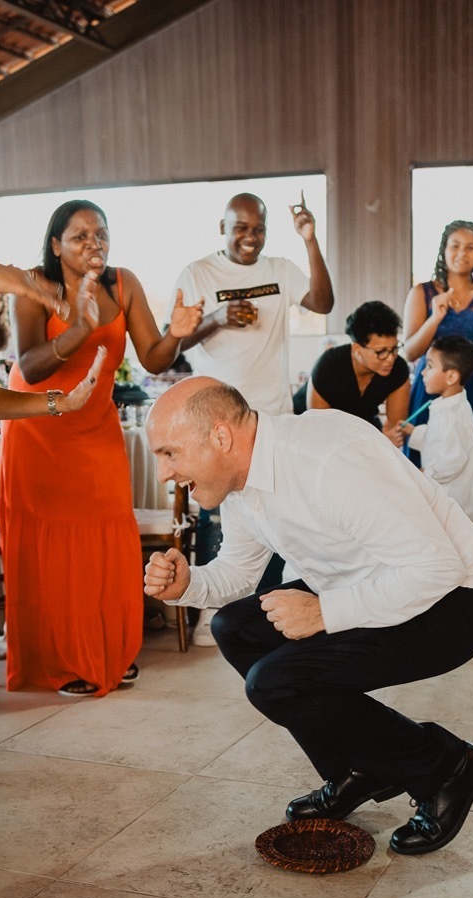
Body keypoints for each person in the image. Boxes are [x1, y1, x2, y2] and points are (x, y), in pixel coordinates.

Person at [143, 377, 473, 856]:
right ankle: (358, 768)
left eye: (170, 453)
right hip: (360, 584)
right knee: (236, 628)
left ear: (220, 437)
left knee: (275, 681)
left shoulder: (327, 461)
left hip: (453, 601)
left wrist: (324, 612)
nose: (164, 473)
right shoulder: (241, 479)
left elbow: (435, 568)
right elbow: (240, 571)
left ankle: (448, 766)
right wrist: (189, 586)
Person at [0, 199, 202, 696]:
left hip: (96, 429)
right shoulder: (31, 287)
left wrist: (176, 334)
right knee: (53, 555)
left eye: (101, 234)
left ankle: (109, 652)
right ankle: (64, 661)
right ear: (55, 245)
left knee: (108, 540)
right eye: (80, 236)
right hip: (38, 430)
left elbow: (154, 359)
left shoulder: (123, 283)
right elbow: (30, 365)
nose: (95, 244)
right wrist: (80, 331)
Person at [164, 190, 334, 644]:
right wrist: (216, 318)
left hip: (272, 417)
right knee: (216, 514)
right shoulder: (198, 273)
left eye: (258, 228)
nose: (250, 237)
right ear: (222, 228)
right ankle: (210, 607)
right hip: (211, 423)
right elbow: (170, 344)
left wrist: (310, 239)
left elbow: (322, 301)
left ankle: (275, 606)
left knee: (278, 515)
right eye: (240, 227)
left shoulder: (279, 269)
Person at [403, 220, 473, 535]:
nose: (462, 253)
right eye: (455, 246)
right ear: (444, 250)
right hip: (432, 388)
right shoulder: (422, 293)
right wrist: (436, 316)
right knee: (424, 472)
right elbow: (410, 352)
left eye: (470, 247)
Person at [399, 336, 473, 526]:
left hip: (455, 502)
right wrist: (414, 432)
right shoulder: (446, 406)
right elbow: (439, 440)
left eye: (429, 366)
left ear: (451, 376)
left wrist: (423, 473)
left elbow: (451, 460)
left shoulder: (454, 414)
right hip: (447, 499)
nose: (422, 372)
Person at [307, 300, 410, 445]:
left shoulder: (398, 368)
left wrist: (388, 440)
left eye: (394, 349)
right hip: (329, 434)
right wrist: (378, 443)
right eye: (381, 352)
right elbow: (319, 433)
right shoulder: (328, 367)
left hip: (366, 428)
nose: (390, 359)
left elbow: (396, 430)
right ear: (357, 349)